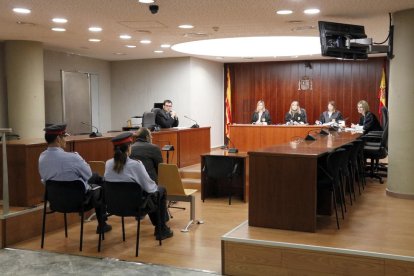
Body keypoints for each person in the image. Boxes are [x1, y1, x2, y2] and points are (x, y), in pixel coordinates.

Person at [38, 124, 112, 234]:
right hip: (79, 201)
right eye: (64, 137)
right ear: (58, 139)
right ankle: (102, 224)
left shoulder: (42, 158)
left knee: (95, 178)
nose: (65, 140)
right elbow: (88, 175)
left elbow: (44, 178)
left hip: (56, 201)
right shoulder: (72, 157)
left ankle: (103, 222)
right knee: (100, 183)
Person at [104, 132, 173, 240]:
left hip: (114, 206)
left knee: (153, 193)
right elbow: (150, 188)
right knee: (160, 190)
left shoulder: (108, 164)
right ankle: (161, 229)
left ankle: (161, 228)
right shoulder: (135, 165)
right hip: (135, 207)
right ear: (129, 148)